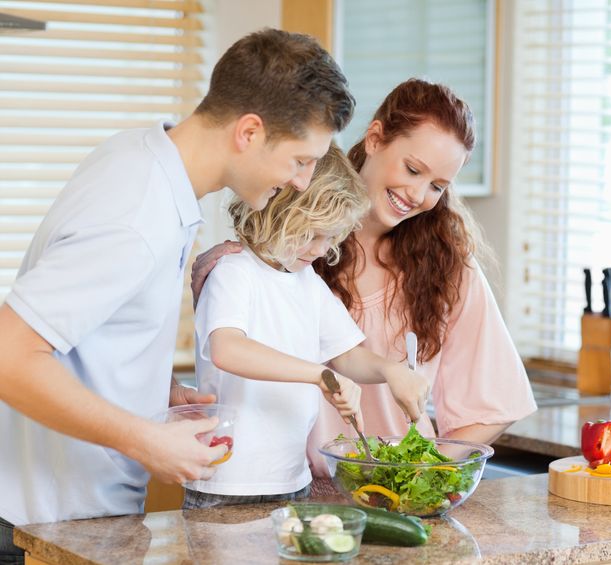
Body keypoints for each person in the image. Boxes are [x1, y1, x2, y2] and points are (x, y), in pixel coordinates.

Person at [0, 27, 354, 560]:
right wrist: (143, 438)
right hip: (48, 524)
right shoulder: (139, 215)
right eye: (301, 160)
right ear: (250, 131)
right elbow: (9, 355)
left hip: (72, 512)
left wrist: (153, 387)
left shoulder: (148, 159)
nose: (304, 182)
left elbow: (89, 325)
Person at [191, 79, 537, 482]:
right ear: (375, 138)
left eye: (437, 186)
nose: (417, 193)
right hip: (285, 485)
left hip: (393, 491)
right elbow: (231, 347)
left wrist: (415, 476)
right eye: (412, 169)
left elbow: (495, 403)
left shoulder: (448, 268)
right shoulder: (293, 249)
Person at [186, 144, 428, 509]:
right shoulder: (234, 272)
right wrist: (320, 376)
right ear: (277, 211)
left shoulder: (307, 282)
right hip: (227, 483)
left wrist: (391, 371)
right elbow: (228, 349)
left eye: (331, 237)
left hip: (292, 480)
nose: (321, 248)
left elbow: (346, 355)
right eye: (313, 233)